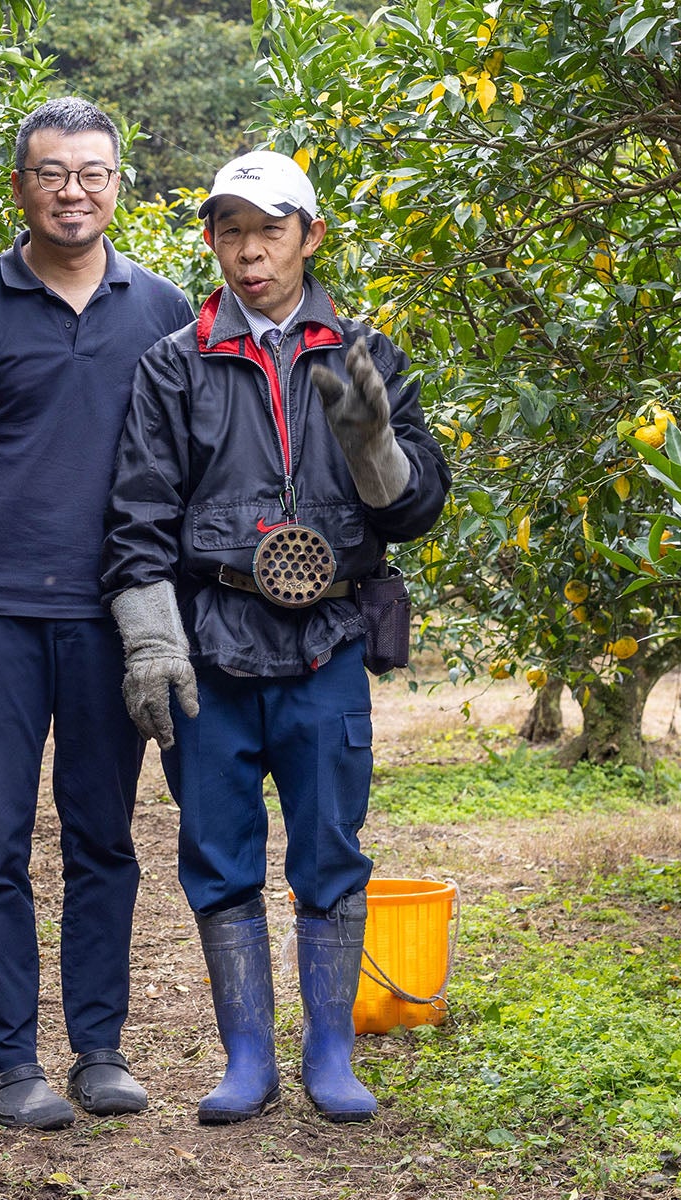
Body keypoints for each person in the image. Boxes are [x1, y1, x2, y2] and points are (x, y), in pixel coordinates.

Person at [101, 150, 449, 1124]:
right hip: (211, 642)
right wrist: (150, 640)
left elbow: (416, 505)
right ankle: (247, 1054)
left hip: (326, 638)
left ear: (311, 236)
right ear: (210, 239)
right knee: (218, 849)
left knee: (329, 844)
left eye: (270, 231)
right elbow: (136, 515)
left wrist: (374, 446)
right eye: (231, 233)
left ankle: (329, 1052)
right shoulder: (176, 364)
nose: (250, 255)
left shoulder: (364, 354)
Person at [0, 98, 196, 1130]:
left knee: (103, 834)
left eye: (93, 173)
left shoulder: (163, 309)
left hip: (111, 608)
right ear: (20, 184)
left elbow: (187, 469)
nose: (74, 190)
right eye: (52, 172)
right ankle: (8, 1064)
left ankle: (100, 1048)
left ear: (120, 185)